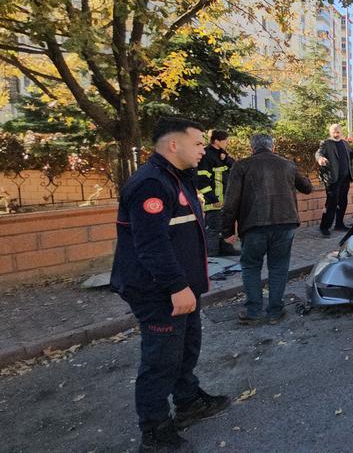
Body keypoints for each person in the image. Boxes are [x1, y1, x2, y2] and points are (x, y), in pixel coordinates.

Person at [110, 117, 229, 452]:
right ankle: (155, 432)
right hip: (160, 291)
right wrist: (177, 287)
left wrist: (187, 286)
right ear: (173, 144)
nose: (203, 149)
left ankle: (188, 402)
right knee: (160, 361)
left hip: (183, 289)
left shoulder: (178, 178)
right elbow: (151, 244)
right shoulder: (151, 183)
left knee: (186, 349)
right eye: (198, 143)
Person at [221, 134, 313, 325]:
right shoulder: (287, 164)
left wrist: (227, 230)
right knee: (279, 267)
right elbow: (307, 188)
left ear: (252, 148)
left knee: (251, 267)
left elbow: (231, 201)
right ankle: (275, 312)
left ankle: (253, 311)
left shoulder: (241, 165)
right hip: (285, 223)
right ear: (273, 146)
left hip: (254, 226)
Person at [314, 124, 353, 238]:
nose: (336, 133)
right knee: (331, 203)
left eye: (338, 131)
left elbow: (349, 156)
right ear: (330, 132)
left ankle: (339, 224)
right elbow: (318, 153)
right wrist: (320, 159)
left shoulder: (344, 143)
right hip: (332, 179)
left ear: (341, 132)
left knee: (343, 202)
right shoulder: (325, 143)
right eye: (334, 131)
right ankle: (324, 227)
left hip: (345, 178)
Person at [195, 129, 239, 257]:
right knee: (213, 228)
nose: (227, 143)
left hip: (225, 199)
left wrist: (226, 159)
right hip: (214, 201)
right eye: (225, 140)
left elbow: (235, 167)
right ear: (216, 141)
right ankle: (212, 254)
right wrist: (213, 199)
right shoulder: (206, 155)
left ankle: (225, 249)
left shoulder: (222, 153)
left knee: (224, 227)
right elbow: (201, 181)